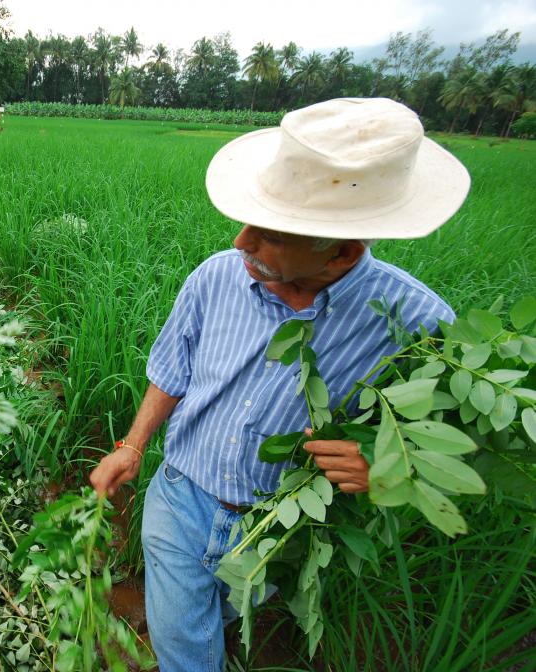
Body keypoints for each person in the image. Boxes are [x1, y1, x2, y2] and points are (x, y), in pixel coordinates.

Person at [89, 98, 470, 671]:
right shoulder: (216, 276)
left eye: (268, 234)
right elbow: (173, 369)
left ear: (342, 252)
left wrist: (386, 464)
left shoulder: (418, 323)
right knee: (187, 653)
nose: (241, 242)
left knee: (217, 615)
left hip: (281, 528)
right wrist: (133, 444)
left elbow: (458, 436)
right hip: (179, 495)